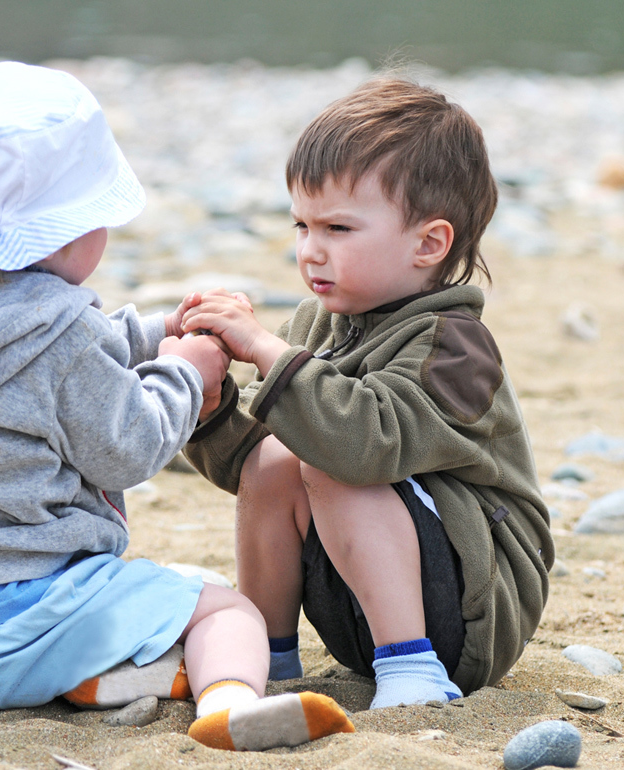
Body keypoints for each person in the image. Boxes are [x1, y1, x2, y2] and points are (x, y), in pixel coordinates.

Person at [0, 61, 354, 752]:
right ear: (69, 235)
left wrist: (158, 331)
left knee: (141, 604)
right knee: (221, 606)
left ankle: (97, 680)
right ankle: (231, 702)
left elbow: (55, 356)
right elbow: (127, 444)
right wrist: (184, 373)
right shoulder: (58, 338)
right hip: (29, 622)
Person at [180, 76, 554, 709]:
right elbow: (259, 478)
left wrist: (268, 351)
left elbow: (366, 445)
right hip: (360, 599)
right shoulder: (316, 325)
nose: (310, 251)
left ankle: (411, 672)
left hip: (471, 610)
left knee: (332, 457)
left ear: (428, 243)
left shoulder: (455, 347)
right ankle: (268, 656)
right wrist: (211, 403)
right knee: (279, 459)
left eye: (339, 229)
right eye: (301, 224)